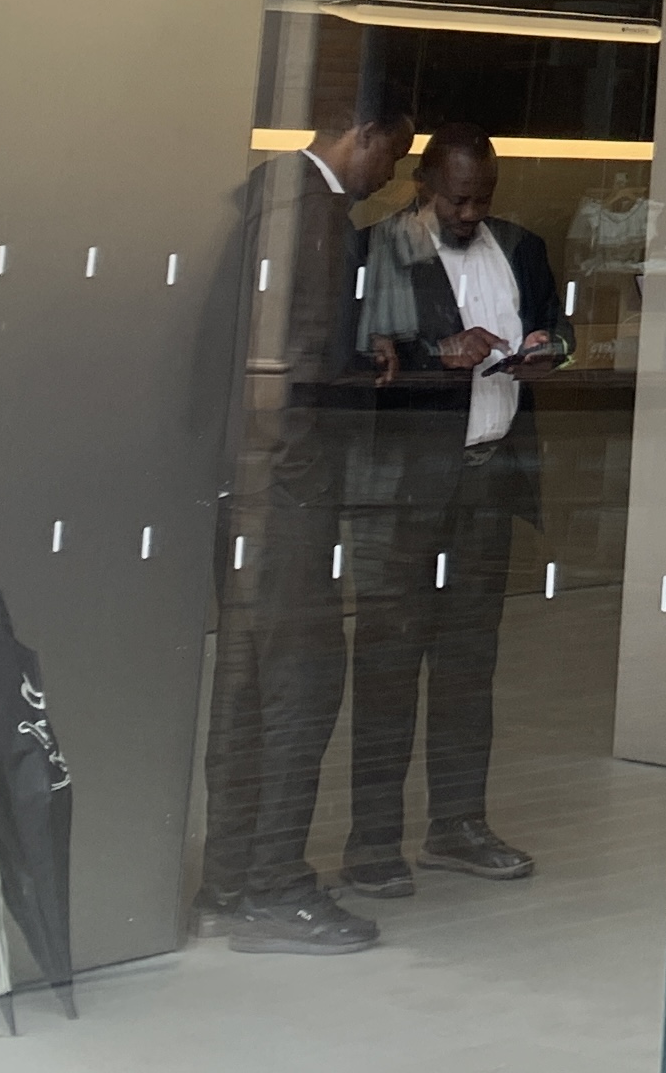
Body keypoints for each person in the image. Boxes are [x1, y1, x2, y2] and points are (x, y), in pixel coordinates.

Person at [197, 92, 413, 954]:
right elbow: (298, 364)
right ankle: (277, 883)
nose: (388, 175)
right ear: (360, 136)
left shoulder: (263, 198)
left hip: (242, 492)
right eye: (391, 156)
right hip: (286, 499)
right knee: (303, 686)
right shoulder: (314, 215)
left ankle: (230, 871)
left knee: (245, 689)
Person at [346, 122, 569, 893]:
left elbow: (560, 328)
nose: (471, 214)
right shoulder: (382, 248)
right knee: (386, 666)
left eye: (484, 199)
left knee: (470, 667)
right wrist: (431, 356)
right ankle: (372, 842)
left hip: (488, 479)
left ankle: (458, 825)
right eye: (458, 200)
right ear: (423, 187)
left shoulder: (522, 247)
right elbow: (349, 358)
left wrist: (548, 345)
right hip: (401, 494)